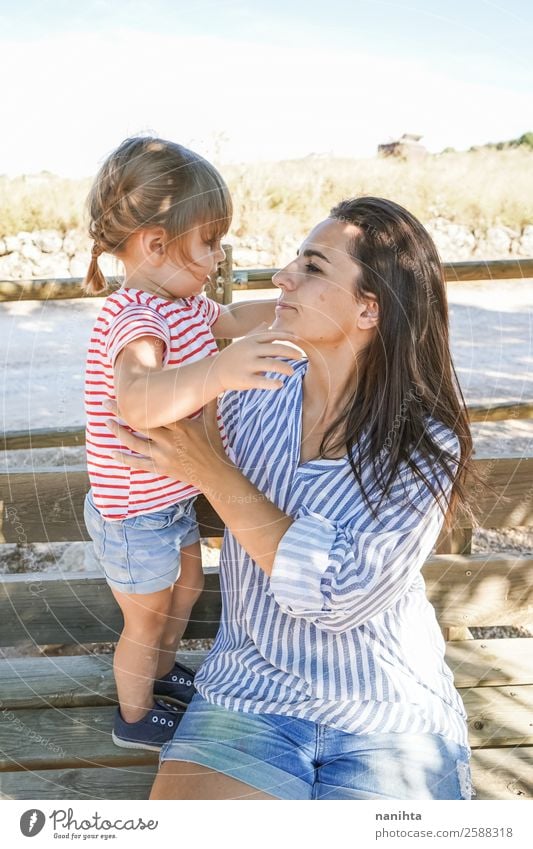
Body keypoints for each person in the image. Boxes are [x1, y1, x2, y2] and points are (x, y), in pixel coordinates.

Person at [106, 196, 475, 800]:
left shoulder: (425, 442)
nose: (283, 277)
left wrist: (213, 471)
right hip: (249, 688)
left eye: (313, 266)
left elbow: (340, 593)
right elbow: (141, 389)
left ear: (369, 308)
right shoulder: (252, 388)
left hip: (388, 705)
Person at [83, 136, 298, 752]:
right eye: (208, 241)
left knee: (186, 589)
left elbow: (230, 323)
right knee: (145, 618)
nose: (218, 254)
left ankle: (158, 666)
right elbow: (138, 398)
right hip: (132, 514)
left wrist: (290, 311)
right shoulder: (135, 317)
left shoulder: (187, 305)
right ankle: (134, 713)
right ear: (155, 244)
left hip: (168, 499)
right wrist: (220, 374)